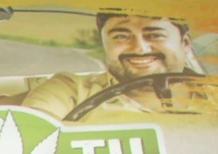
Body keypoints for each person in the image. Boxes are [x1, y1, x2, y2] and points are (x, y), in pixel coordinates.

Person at [22, 13, 204, 121]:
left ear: (185, 43)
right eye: (121, 37)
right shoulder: (70, 90)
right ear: (104, 46)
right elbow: (29, 139)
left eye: (155, 35)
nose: (140, 48)